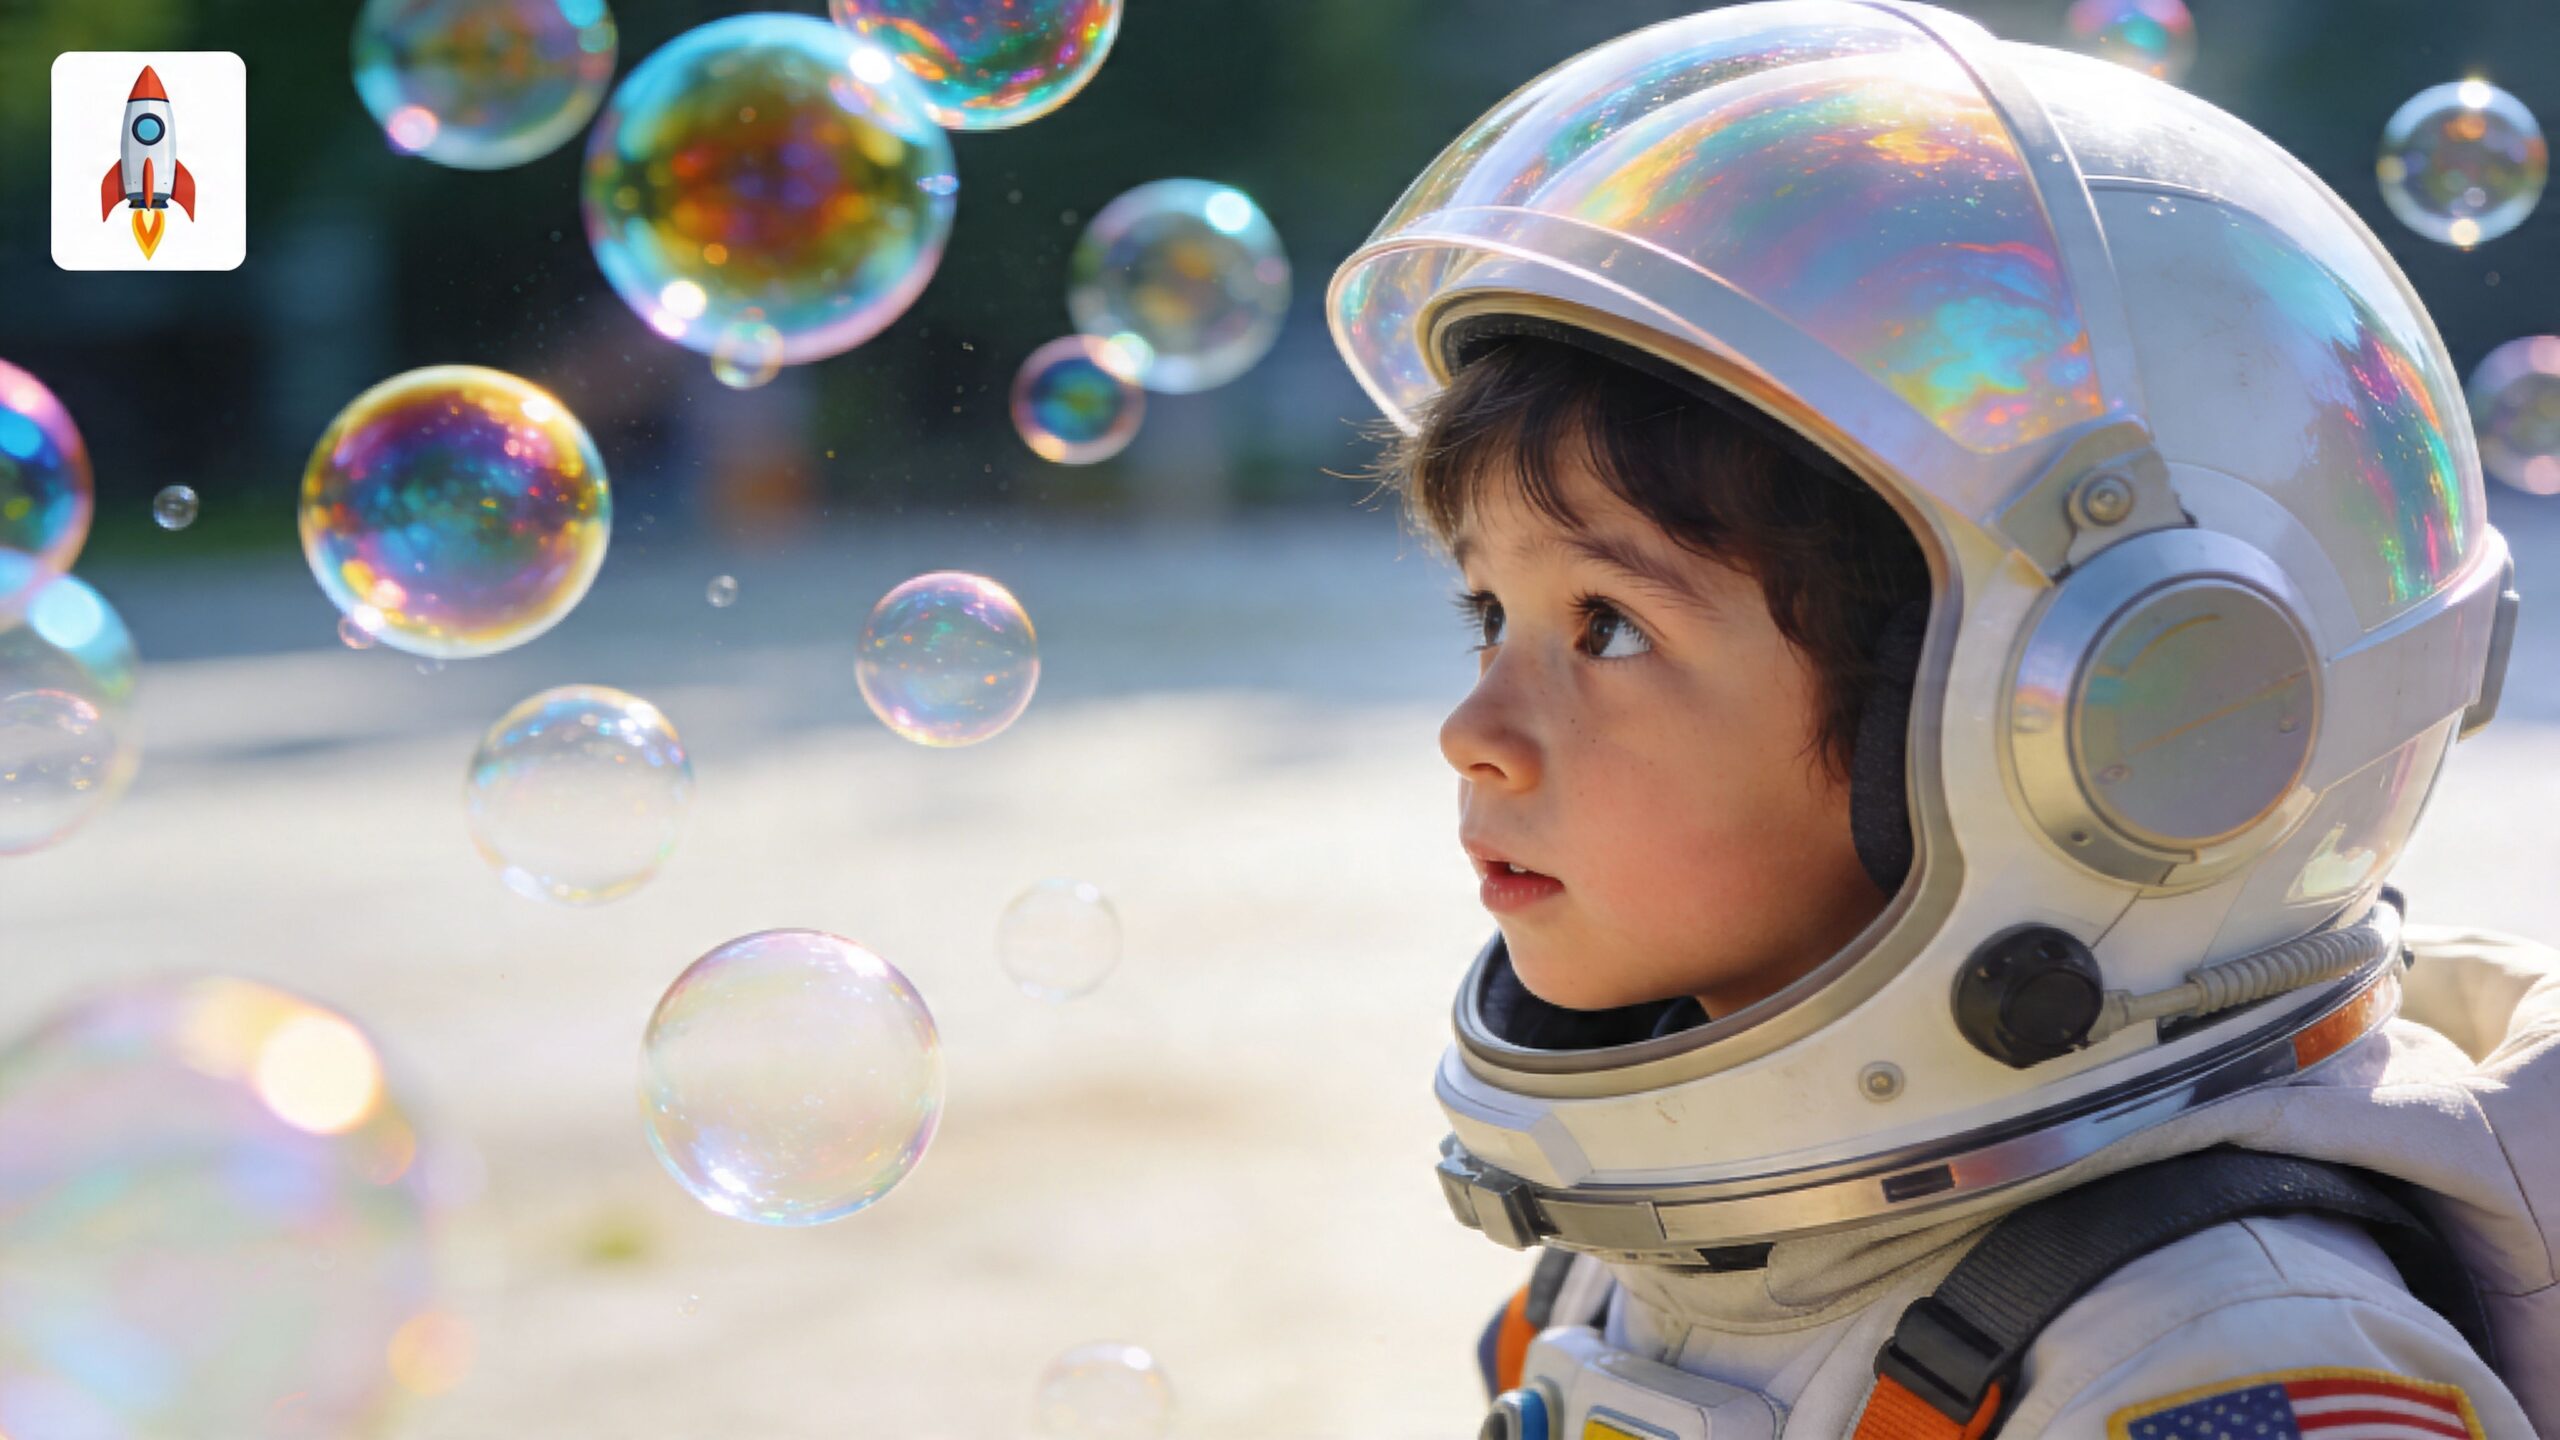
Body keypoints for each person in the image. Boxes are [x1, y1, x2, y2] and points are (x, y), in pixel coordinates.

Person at [1326, 3, 2554, 1436]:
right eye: (1489, 612)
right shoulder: (1637, 1254)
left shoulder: (2218, 1364)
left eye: (1608, 626)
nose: (1472, 730)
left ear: (2102, 728)